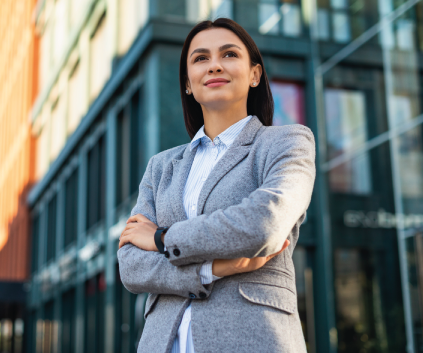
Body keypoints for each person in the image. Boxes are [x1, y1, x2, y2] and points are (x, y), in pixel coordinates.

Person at [117, 18, 315, 353]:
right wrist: (212, 269)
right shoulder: (161, 166)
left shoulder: (287, 142)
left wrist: (161, 238)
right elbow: (132, 267)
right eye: (201, 58)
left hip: (254, 339)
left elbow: (262, 225)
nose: (215, 66)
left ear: (254, 74)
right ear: (188, 84)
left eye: (229, 54)